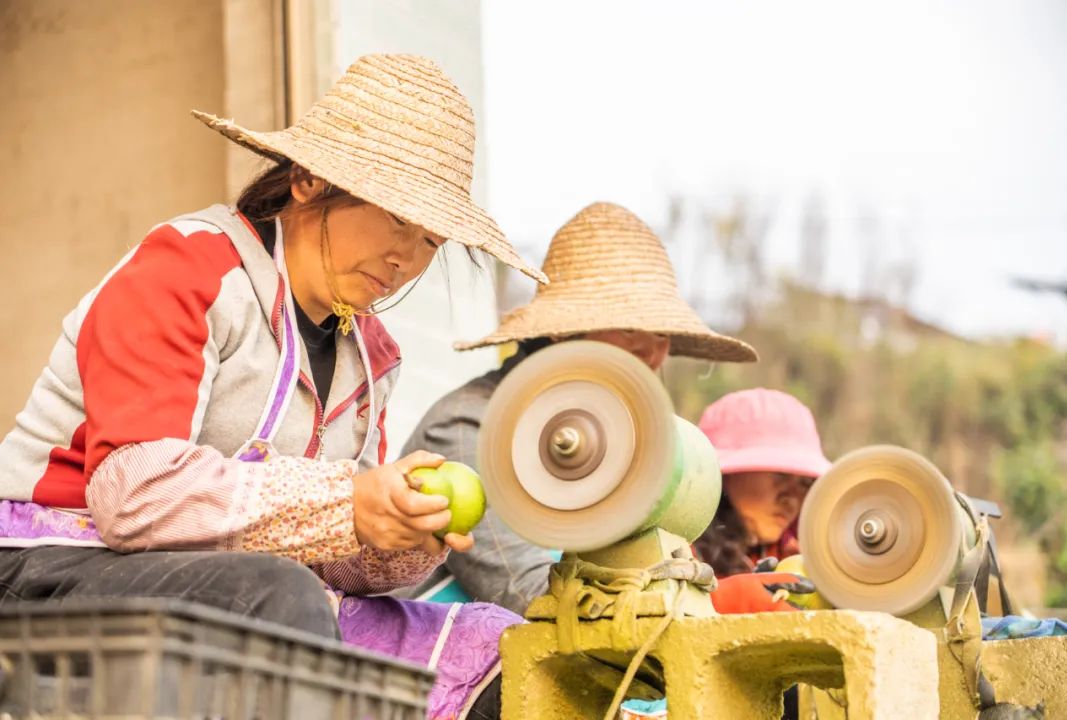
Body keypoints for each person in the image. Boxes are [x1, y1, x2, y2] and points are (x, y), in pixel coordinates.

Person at [0, 54, 544, 720]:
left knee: (498, 645)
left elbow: (323, 543)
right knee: (275, 597)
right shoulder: (188, 268)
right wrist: (348, 503)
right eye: (397, 220)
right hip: (48, 566)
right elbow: (132, 495)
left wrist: (392, 536)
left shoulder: (372, 357)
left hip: (239, 588)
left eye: (429, 240)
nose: (407, 259)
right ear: (309, 180)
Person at [395, 201, 759, 613]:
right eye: (626, 327)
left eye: (662, 332)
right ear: (560, 333)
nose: (652, 351)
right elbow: (527, 593)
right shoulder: (467, 426)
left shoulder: (621, 451)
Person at [693, 388, 832, 613]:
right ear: (726, 474)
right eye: (780, 475)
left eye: (805, 484)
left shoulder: (797, 556)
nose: (792, 500)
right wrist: (732, 599)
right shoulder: (672, 547)